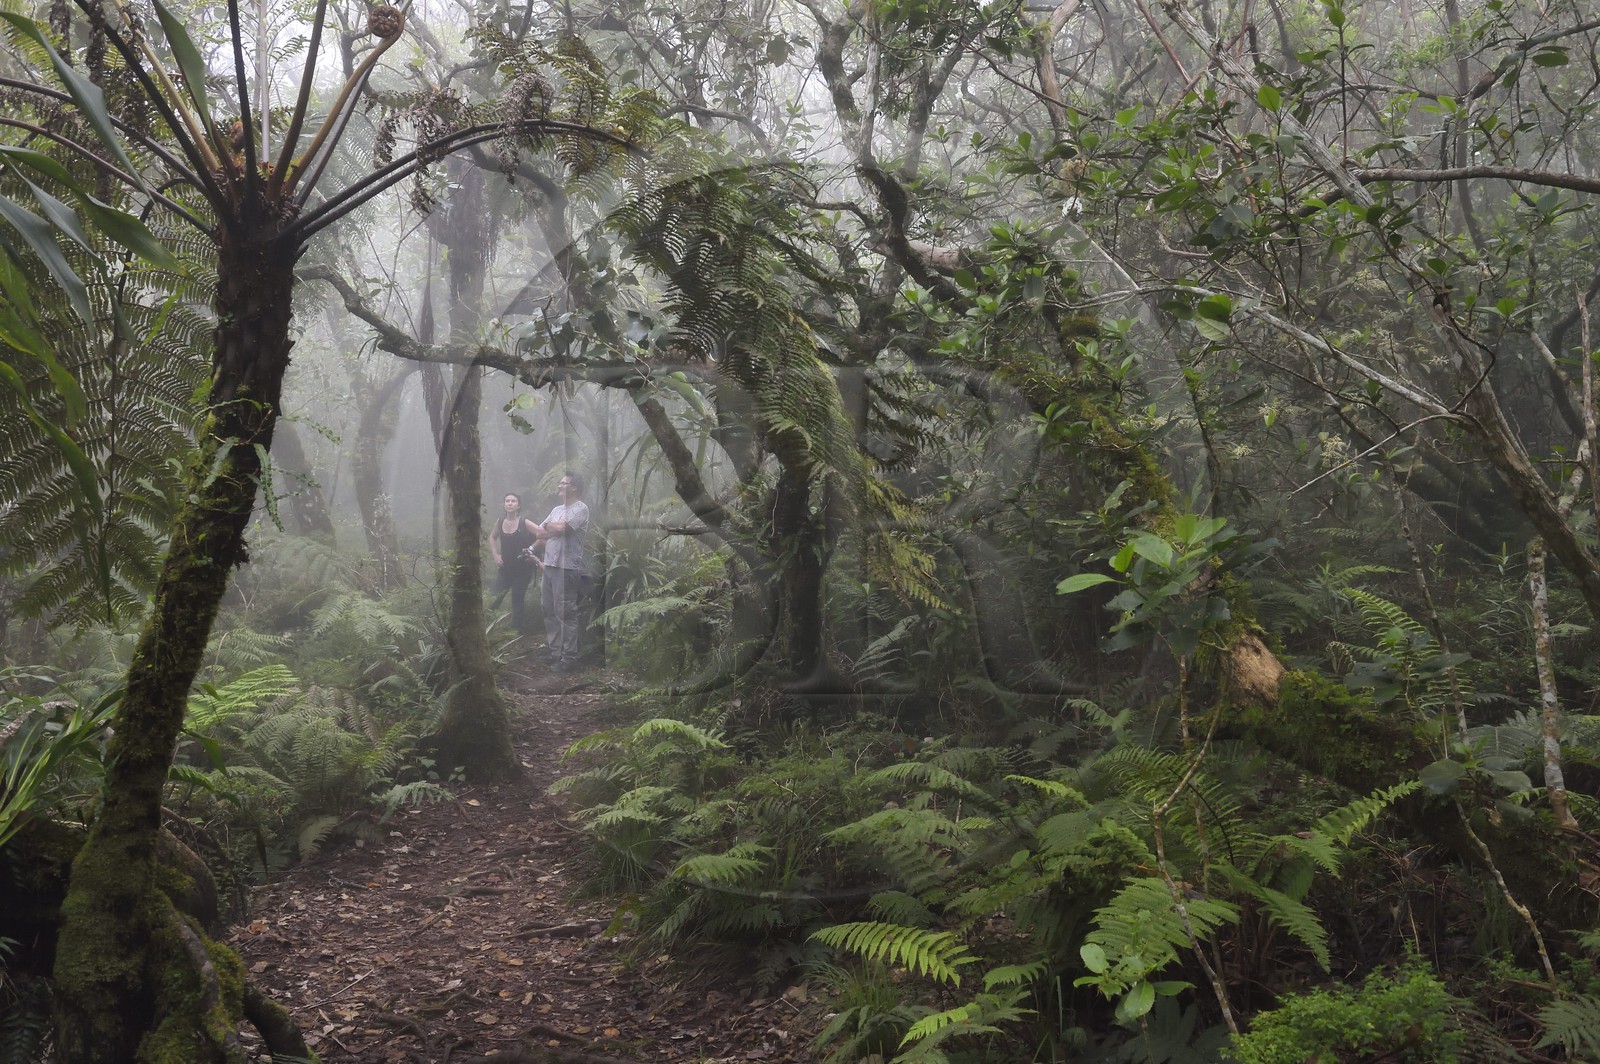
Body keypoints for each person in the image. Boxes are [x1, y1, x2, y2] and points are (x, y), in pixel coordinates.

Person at [534, 472, 590, 672]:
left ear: (574, 487)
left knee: (565, 612)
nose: (559, 486)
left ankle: (569, 658)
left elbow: (563, 528)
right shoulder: (556, 509)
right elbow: (540, 532)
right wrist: (551, 527)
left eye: (563, 483)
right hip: (549, 565)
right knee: (548, 609)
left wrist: (550, 527)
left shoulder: (580, 508)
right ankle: (555, 652)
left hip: (567, 568)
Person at [488, 492, 540, 637]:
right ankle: (489, 628)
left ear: (519, 505)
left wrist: (531, 550)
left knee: (517, 599)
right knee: (495, 597)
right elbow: (492, 537)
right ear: (503, 504)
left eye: (513, 501)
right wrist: (495, 554)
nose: (510, 503)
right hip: (505, 569)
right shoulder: (500, 522)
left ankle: (516, 631)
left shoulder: (524, 522)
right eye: (507, 501)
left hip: (523, 570)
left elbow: (541, 535)